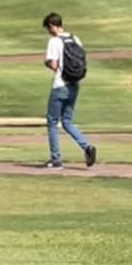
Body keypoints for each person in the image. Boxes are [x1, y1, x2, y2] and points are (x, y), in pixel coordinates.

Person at [41, 13, 98, 170]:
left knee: (52, 122)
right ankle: (86, 147)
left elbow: (53, 64)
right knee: (67, 122)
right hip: (74, 84)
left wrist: (47, 64)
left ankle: (56, 159)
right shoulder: (75, 38)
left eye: (48, 28)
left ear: (52, 26)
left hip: (60, 85)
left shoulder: (54, 41)